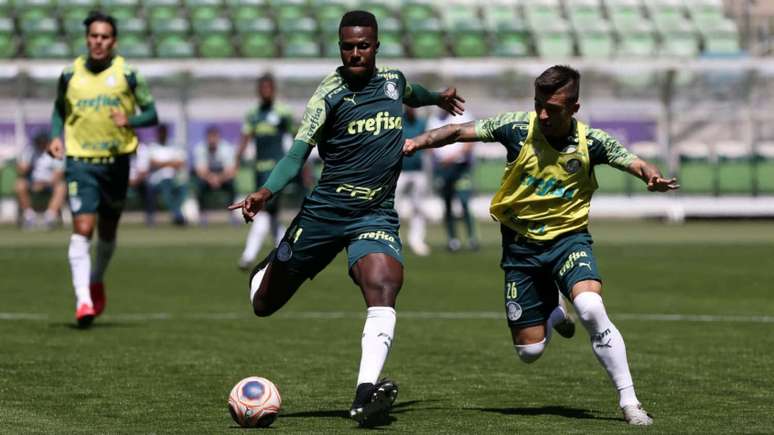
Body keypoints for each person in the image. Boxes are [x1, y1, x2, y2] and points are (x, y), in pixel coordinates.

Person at [404, 65, 679, 426]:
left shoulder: (591, 142)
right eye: (538, 104)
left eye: (553, 108)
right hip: (520, 249)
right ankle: (554, 311)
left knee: (592, 308)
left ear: (574, 108)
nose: (543, 114)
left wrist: (651, 176)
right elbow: (456, 131)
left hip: (569, 240)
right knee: (530, 351)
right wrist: (414, 142)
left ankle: (630, 403)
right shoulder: (516, 128)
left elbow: (634, 161)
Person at [229, 10, 465, 426]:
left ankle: (364, 394)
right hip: (324, 213)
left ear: (376, 46)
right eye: (347, 46)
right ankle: (266, 268)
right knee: (263, 304)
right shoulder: (328, 94)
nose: (355, 53)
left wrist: (438, 99)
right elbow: (296, 154)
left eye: (363, 46)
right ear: (340, 47)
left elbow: (413, 92)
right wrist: (265, 192)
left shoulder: (393, 81)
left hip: (374, 212)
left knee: (385, 283)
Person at [47, 11, 158, 327]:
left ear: (114, 40)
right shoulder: (70, 74)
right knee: (83, 228)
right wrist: (57, 137)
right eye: (94, 36)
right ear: (87, 39)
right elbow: (59, 109)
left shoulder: (128, 74)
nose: (98, 41)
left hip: (117, 163)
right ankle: (83, 301)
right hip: (80, 163)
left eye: (105, 36)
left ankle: (96, 279)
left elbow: (151, 113)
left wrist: (131, 120)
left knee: (107, 231)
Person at [236, 73, 295, 270]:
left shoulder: (283, 112)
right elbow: (246, 137)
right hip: (259, 170)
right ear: (258, 91)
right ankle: (287, 250)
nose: (266, 91)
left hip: (276, 171)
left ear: (274, 90)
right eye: (262, 88)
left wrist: (299, 164)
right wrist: (236, 161)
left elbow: (297, 137)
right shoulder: (253, 114)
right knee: (270, 216)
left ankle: (248, 256)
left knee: (264, 213)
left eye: (269, 88)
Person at [427, 108, 478, 252]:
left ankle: (472, 239)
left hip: (461, 168)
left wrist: (452, 157)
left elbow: (470, 143)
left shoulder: (464, 116)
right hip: (443, 169)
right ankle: (452, 240)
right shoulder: (434, 119)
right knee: (447, 204)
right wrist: (437, 159)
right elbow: (428, 140)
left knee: (464, 202)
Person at [394, 106, 431, 256]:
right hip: (399, 171)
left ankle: (417, 240)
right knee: (395, 207)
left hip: (418, 171)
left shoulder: (422, 123)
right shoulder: (398, 121)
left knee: (418, 208)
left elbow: (428, 142)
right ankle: (395, 239)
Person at [15, 130, 66, 229]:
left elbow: (58, 174)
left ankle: (50, 217)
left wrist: (44, 184)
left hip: (49, 184)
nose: (40, 144)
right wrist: (23, 166)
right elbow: (22, 171)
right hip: (32, 183)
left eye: (42, 142)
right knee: (20, 184)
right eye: (38, 142)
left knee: (61, 187)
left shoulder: (55, 151)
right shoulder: (30, 152)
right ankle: (29, 217)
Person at [193, 125, 237, 224]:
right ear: (206, 138)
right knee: (200, 185)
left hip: (223, 177)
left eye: (214, 137)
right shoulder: (200, 148)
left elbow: (230, 171)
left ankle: (232, 214)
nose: (212, 140)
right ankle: (202, 214)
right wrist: (211, 179)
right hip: (208, 177)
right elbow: (200, 171)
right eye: (210, 137)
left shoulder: (226, 148)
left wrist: (218, 179)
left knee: (232, 185)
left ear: (218, 137)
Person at [145, 124, 187, 226]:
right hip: (157, 181)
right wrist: (170, 163)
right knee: (166, 188)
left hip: (174, 179)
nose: (163, 134)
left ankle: (178, 213)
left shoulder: (174, 146)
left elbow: (180, 163)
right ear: (158, 133)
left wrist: (162, 164)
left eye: (164, 132)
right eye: (161, 132)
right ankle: (177, 215)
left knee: (183, 188)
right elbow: (151, 163)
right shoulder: (152, 147)